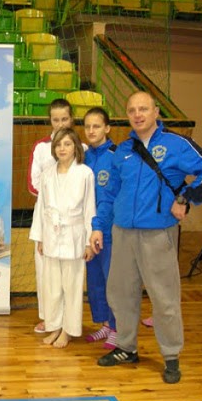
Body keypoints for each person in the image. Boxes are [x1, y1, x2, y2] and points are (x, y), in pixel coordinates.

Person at [91, 91, 202, 384]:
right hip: (122, 233)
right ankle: (126, 347)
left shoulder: (177, 144)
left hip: (158, 234)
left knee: (164, 299)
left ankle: (171, 356)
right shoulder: (122, 151)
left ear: (156, 112)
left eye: (143, 109)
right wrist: (99, 225)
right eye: (132, 110)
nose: (138, 115)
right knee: (120, 294)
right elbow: (109, 194)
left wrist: (187, 198)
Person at [29, 128, 95, 348]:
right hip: (50, 234)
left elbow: (89, 208)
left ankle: (68, 330)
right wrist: (39, 237)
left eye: (67, 144)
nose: (62, 148)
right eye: (58, 145)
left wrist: (88, 241)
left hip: (74, 235)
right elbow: (41, 209)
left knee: (72, 286)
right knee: (52, 286)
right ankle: (54, 326)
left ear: (76, 146)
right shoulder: (47, 174)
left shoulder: (85, 173)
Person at [27, 98, 75, 334]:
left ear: (71, 119)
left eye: (64, 119)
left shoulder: (81, 148)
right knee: (45, 270)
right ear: (50, 121)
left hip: (73, 219)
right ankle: (47, 317)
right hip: (46, 217)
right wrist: (54, 197)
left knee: (70, 272)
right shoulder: (40, 148)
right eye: (55, 120)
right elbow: (32, 183)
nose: (59, 124)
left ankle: (68, 319)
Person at [83, 107, 117, 349]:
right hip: (88, 230)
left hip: (109, 231)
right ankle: (104, 324)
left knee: (112, 281)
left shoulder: (116, 156)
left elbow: (108, 198)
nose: (91, 131)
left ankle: (117, 328)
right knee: (95, 281)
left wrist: (99, 226)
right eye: (87, 126)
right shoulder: (84, 157)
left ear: (107, 128)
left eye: (96, 126)